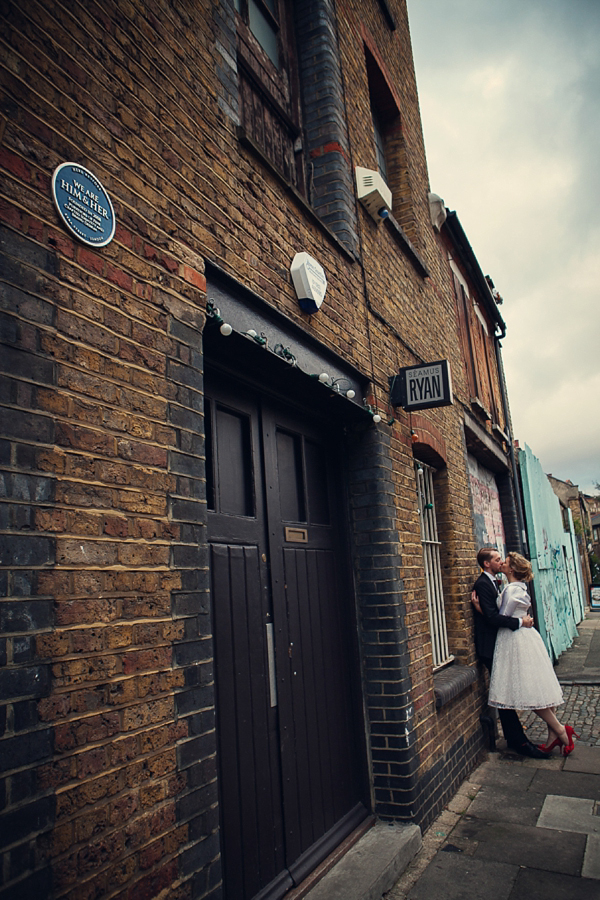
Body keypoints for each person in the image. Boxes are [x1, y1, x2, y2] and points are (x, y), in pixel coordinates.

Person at [488, 551, 577, 756]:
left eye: (506, 562)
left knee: (531, 691)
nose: (502, 563)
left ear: (511, 569)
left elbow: (502, 617)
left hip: (515, 641)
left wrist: (482, 607)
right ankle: (553, 735)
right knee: (539, 687)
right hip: (527, 638)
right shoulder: (520, 587)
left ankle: (562, 731)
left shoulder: (511, 590)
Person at [472, 546, 549, 758]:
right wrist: (521, 622)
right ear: (487, 564)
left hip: (500, 644)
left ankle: (517, 740)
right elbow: (493, 618)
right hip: (490, 647)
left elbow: (493, 614)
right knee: (504, 696)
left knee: (505, 695)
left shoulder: (497, 583)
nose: (500, 562)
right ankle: (520, 742)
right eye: (497, 559)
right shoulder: (483, 584)